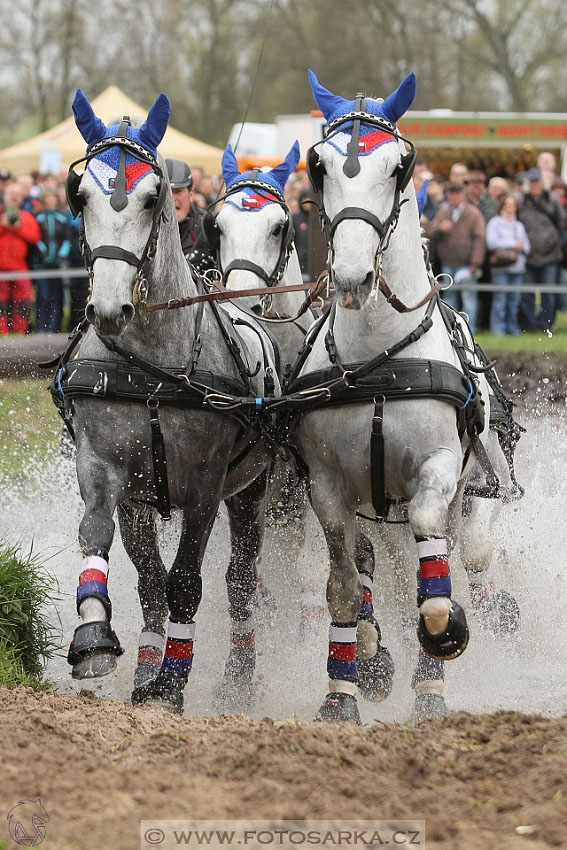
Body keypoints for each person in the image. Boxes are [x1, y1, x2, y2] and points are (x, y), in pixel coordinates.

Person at [427, 181, 485, 332]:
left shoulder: (473, 213)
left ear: (463, 195)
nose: (454, 196)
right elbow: (430, 231)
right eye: (451, 193)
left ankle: (469, 331)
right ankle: (449, 329)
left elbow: (480, 239)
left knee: (468, 300)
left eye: (457, 193)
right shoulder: (443, 211)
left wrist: (475, 264)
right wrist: (440, 228)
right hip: (448, 263)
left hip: (466, 264)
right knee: (449, 299)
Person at [517, 167, 565, 330]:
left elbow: (561, 222)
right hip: (528, 255)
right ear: (527, 183)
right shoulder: (520, 201)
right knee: (527, 293)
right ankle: (530, 325)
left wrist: (554, 241)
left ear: (542, 182)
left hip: (550, 255)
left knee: (548, 293)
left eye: (537, 181)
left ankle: (547, 325)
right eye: (532, 181)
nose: (535, 184)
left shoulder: (553, 199)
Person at [486, 194, 530, 335]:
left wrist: (520, 247)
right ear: (502, 206)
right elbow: (491, 243)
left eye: (513, 205)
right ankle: (498, 329)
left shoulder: (519, 225)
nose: (510, 208)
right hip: (501, 267)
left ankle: (513, 328)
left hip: (517, 268)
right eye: (507, 204)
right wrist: (513, 244)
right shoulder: (495, 222)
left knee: (514, 301)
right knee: (500, 300)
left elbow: (527, 247)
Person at [0, 182, 40, 334]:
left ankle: (20, 331)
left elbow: (35, 237)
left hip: (20, 267)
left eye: (17, 194)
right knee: (1, 302)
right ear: (5, 196)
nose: (14, 197)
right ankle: (2, 332)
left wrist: (19, 227)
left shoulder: (26, 217)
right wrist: (2, 225)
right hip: (1, 267)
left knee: (23, 301)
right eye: (11, 194)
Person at [166, 158, 215, 275]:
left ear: (191, 195)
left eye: (178, 191)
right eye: (167, 192)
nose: (172, 198)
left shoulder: (207, 226)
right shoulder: (145, 227)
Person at [34, 187, 72, 333]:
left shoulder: (62, 218)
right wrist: (44, 254)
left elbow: (67, 239)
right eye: (48, 198)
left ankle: (54, 328)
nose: (50, 200)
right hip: (42, 264)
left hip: (58, 264)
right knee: (43, 296)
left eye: (53, 197)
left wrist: (60, 256)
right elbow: (36, 238)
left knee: (57, 297)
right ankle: (41, 328)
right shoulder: (38, 217)